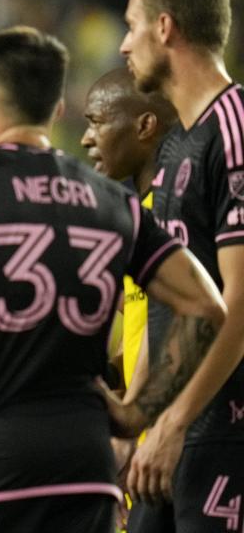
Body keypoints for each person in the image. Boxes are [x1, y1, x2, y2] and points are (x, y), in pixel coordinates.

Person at [0, 26, 225, 533]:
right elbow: (207, 306)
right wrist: (134, 413)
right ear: (58, 110)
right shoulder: (113, 202)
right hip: (83, 470)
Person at [118, 0, 244, 532]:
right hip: (174, 436)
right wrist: (135, 420)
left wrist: (173, 423)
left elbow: (240, 303)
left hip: (226, 434)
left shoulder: (235, 128)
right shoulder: (173, 150)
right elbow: (172, 307)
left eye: (131, 25)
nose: (124, 45)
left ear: (164, 28)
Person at [81, 68, 178, 391]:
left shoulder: (179, 214)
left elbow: (194, 323)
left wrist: (138, 410)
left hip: (181, 434)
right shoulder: (134, 218)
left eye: (96, 122)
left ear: (145, 126)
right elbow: (143, 323)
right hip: (145, 434)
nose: (85, 138)